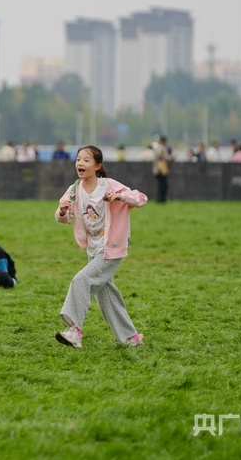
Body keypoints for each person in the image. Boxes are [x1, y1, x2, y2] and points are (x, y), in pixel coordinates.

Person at [54, 145, 146, 349]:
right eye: (78, 159)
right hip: (93, 248)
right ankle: (132, 338)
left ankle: (74, 330)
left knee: (81, 280)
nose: (80, 163)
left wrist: (120, 196)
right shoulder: (74, 189)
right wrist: (61, 212)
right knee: (107, 296)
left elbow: (141, 199)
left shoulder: (108, 185)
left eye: (86, 160)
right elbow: (63, 218)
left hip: (111, 246)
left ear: (97, 166)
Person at [152, 135, 173, 203]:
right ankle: (162, 200)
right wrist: (172, 157)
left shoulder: (157, 148)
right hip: (162, 169)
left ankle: (159, 199)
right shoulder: (163, 148)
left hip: (157, 169)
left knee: (160, 185)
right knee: (164, 185)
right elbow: (166, 157)